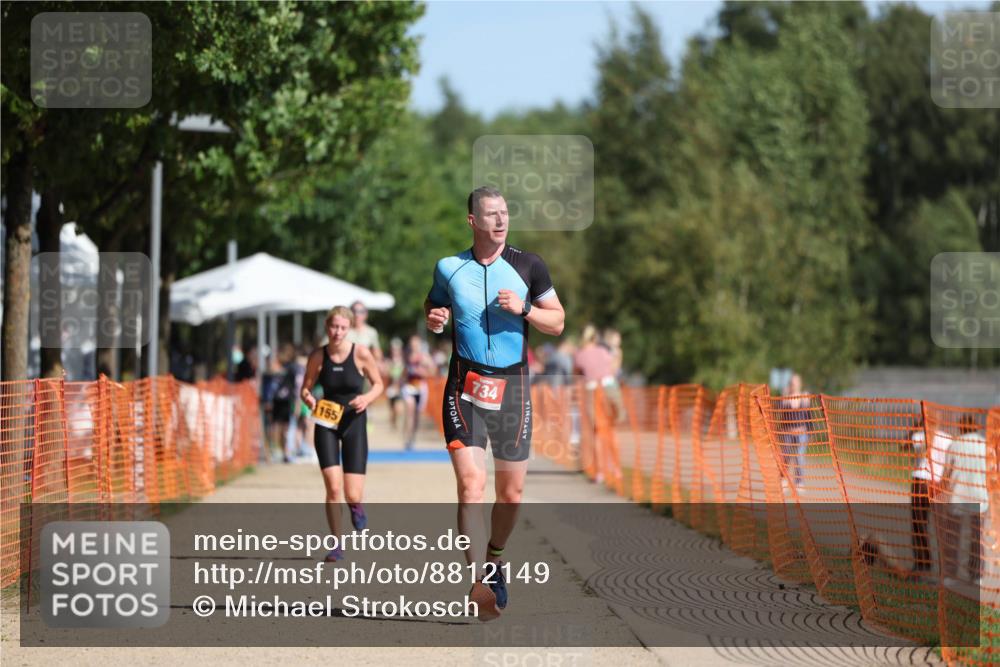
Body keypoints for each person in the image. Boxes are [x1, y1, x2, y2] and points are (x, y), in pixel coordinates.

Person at [424, 186, 565, 621]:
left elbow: (557, 322)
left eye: (504, 213)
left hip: (513, 388)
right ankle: (479, 580)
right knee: (471, 485)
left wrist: (525, 310)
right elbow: (433, 305)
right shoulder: (449, 268)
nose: (500, 221)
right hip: (464, 386)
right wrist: (434, 318)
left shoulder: (528, 265)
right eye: (491, 214)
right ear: (473, 221)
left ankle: (496, 556)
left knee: (512, 492)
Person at [300, 306, 384, 562]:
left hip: (354, 422)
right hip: (326, 421)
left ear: (350, 329)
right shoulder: (318, 356)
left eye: (343, 328)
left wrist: (366, 398)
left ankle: (356, 506)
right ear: (327, 327)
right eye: (333, 327)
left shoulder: (360, 353)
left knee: (352, 493)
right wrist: (309, 399)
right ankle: (337, 544)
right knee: (333, 488)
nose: (337, 332)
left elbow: (379, 384)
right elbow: (305, 389)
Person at [401, 335, 435, 450]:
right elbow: (404, 372)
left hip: (421, 387)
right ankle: (406, 437)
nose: (413, 346)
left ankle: (412, 438)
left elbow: (432, 371)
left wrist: (423, 371)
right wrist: (401, 381)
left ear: (419, 345)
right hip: (409, 387)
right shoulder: (407, 356)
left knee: (416, 415)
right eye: (412, 344)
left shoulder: (424, 357)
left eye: (416, 344)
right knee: (410, 410)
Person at [777, 374, 809, 491]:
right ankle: (784, 479)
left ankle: (799, 482)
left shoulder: (805, 397)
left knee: (799, 457)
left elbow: (808, 417)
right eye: (792, 382)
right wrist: (783, 397)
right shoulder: (785, 398)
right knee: (786, 457)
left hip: (801, 433)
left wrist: (809, 432)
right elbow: (779, 412)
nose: (794, 384)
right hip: (787, 433)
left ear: (799, 383)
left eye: (796, 382)